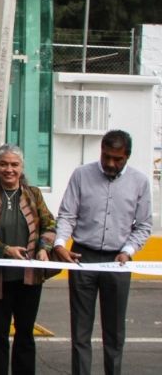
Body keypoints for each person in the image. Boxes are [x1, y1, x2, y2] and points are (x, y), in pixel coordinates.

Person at [52, 130, 152, 375]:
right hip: (82, 257)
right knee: (81, 330)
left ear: (127, 156)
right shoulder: (81, 175)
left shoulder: (140, 182)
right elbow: (67, 214)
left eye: (116, 159)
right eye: (106, 156)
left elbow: (144, 225)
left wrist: (127, 252)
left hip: (118, 262)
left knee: (115, 331)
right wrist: (60, 244)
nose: (109, 163)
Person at [0, 144, 57, 375]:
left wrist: (43, 249)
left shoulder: (34, 195)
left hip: (29, 280)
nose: (9, 169)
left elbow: (50, 225)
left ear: (21, 168)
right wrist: (5, 249)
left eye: (14, 164)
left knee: (25, 333)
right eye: (4, 164)